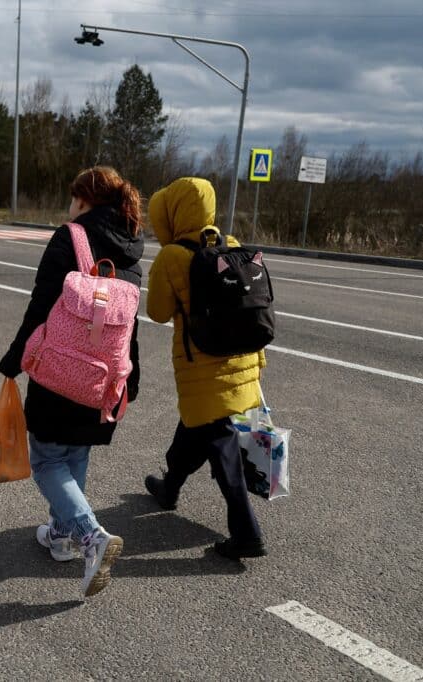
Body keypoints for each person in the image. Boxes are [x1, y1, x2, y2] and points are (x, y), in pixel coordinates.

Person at [0, 166, 144, 597]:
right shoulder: (134, 247)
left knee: (45, 461)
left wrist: (14, 358)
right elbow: (130, 324)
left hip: (59, 369)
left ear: (83, 199)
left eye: (71, 197)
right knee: (75, 452)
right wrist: (131, 377)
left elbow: (41, 305)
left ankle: (90, 535)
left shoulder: (71, 236)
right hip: (104, 376)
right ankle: (61, 537)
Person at [142, 177, 267, 561]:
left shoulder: (172, 256)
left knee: (219, 443)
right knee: (194, 430)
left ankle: (247, 533)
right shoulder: (230, 246)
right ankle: (169, 487)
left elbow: (157, 312)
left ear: (172, 211)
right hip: (243, 362)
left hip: (203, 368)